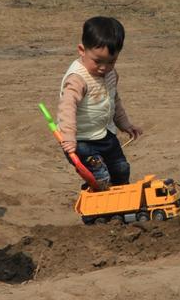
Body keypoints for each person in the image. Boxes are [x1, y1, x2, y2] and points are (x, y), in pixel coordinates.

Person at [57, 16, 142, 191]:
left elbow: (114, 99)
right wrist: (69, 137)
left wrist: (125, 124)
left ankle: (120, 204)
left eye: (111, 61)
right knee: (100, 176)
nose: (104, 67)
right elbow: (67, 108)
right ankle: (100, 207)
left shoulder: (111, 74)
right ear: (82, 50)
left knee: (121, 169)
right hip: (81, 140)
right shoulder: (77, 78)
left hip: (105, 135)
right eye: (97, 61)